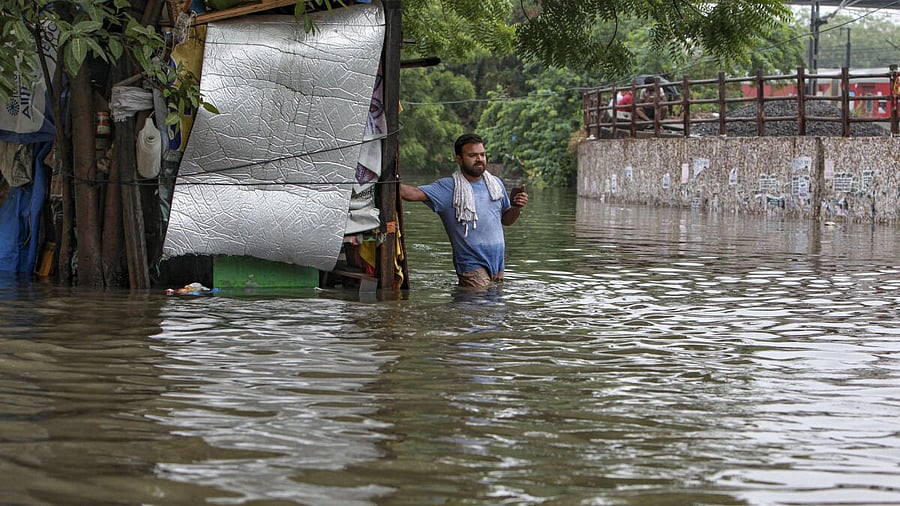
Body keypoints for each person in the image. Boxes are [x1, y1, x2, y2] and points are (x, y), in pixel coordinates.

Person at [400, 133, 529, 288]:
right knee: (474, 309)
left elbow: (506, 220)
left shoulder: (496, 184)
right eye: (473, 155)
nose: (479, 159)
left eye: (482, 154)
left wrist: (516, 206)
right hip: (470, 264)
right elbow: (410, 194)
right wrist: (382, 180)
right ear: (459, 159)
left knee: (495, 310)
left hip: (498, 263)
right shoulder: (448, 188)